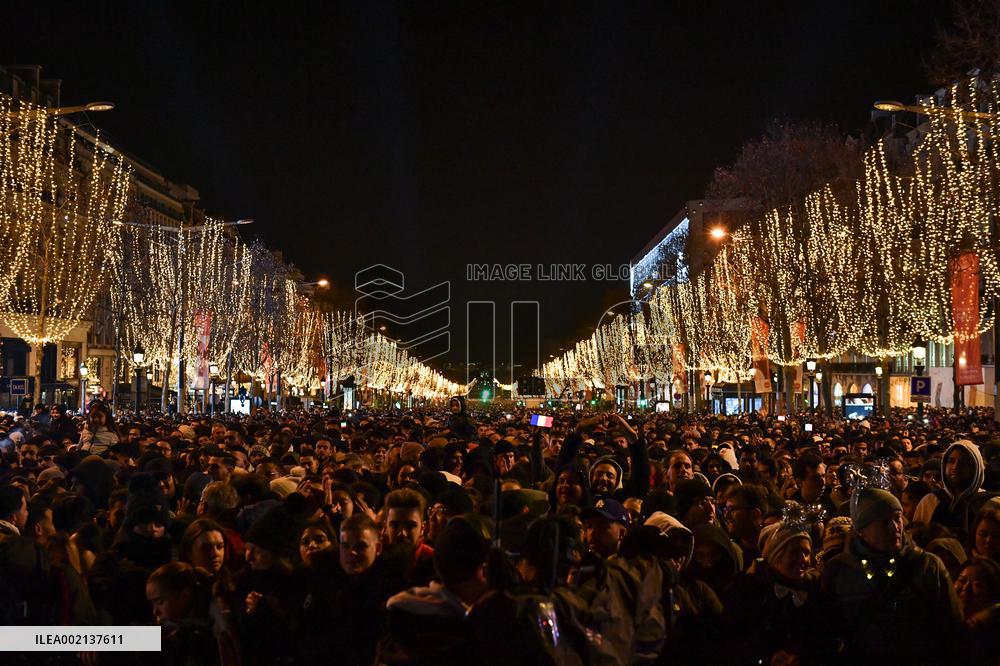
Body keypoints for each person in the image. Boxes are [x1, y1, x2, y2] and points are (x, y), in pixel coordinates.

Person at [823, 485, 964, 664]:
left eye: (897, 518)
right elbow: (828, 630)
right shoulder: (839, 571)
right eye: (883, 522)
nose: (895, 527)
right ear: (861, 530)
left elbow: (952, 628)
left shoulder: (927, 565)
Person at [721, 520, 832, 665]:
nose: (802, 559)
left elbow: (828, 637)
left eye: (806, 552)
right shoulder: (746, 589)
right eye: (794, 552)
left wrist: (803, 658)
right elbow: (731, 639)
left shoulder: (817, 590)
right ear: (775, 555)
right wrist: (766, 657)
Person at [913, 440, 1000, 541]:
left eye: (964, 462)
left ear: (976, 468)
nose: (955, 467)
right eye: (951, 461)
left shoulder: (992, 504)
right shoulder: (929, 501)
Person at [954, 557, 1000, 666]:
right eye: (961, 580)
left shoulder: (994, 637)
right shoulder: (943, 624)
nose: (966, 588)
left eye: (977, 584)